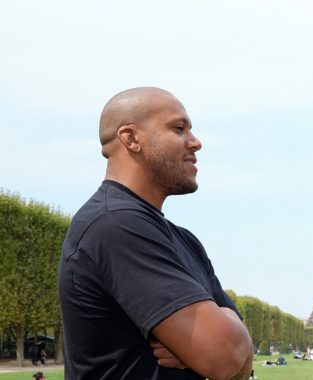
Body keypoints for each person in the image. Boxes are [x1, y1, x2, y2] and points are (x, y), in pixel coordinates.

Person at [58, 87, 254, 379]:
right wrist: (226, 334)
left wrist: (233, 342)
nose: (196, 142)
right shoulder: (115, 225)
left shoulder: (183, 239)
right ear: (131, 138)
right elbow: (224, 358)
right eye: (179, 128)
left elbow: (242, 366)